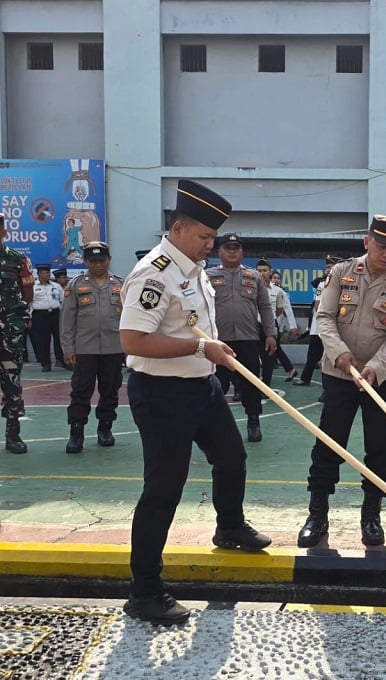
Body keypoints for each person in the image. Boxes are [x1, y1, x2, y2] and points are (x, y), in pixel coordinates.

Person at [119, 179, 271, 624]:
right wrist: (201, 349)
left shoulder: (192, 266)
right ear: (179, 226)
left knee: (231, 457)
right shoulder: (154, 272)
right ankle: (144, 592)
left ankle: (228, 528)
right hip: (163, 393)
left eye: (213, 238)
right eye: (205, 237)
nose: (211, 245)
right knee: (163, 491)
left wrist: (208, 353)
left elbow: (189, 325)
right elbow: (133, 340)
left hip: (200, 386)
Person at [297, 215, 386, 548]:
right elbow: (324, 317)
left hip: (382, 380)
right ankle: (317, 515)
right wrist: (339, 353)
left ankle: (371, 516)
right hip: (339, 374)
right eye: (381, 246)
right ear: (367, 242)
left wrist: (375, 369)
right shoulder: (341, 272)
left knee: (381, 449)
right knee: (329, 445)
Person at [206, 234, 277, 442]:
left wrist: (271, 333)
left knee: (251, 383)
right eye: (227, 248)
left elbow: (264, 306)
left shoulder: (253, 276)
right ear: (219, 252)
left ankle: (253, 421)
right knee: (216, 384)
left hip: (247, 339)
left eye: (236, 248)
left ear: (242, 251)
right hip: (218, 341)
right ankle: (213, 425)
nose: (232, 251)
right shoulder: (207, 276)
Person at [60, 242, 124, 453]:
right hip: (84, 349)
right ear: (85, 261)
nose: (97, 264)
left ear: (109, 260)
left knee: (110, 391)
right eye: (93, 261)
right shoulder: (75, 285)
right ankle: (76, 433)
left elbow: (127, 319)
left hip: (113, 348)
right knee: (80, 391)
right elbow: (67, 320)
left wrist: (128, 346)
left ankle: (105, 429)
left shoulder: (121, 285)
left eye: (101, 260)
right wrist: (68, 348)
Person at [0, 215, 35, 454]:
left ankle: (13, 435)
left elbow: (28, 291)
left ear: (3, 232)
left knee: (12, 381)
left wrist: (17, 318)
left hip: (9, 330)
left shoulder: (17, 259)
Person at [293, 254, 339, 387]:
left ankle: (327, 387)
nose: (328, 269)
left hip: (334, 327)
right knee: (314, 356)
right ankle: (306, 379)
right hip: (320, 327)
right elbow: (318, 306)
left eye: (330, 267)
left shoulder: (343, 283)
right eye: (327, 267)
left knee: (330, 358)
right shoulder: (322, 284)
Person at [30, 263, 66, 372]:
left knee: (59, 338)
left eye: (49, 273)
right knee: (43, 340)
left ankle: (62, 361)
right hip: (40, 315)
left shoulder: (56, 286)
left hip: (55, 314)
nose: (48, 275)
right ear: (40, 274)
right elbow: (29, 303)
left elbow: (63, 300)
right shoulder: (33, 286)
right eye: (46, 273)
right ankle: (46, 363)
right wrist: (29, 318)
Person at [270, 269, 298, 381]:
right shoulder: (263, 288)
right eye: (274, 278)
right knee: (274, 348)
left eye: (278, 278)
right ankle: (290, 369)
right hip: (263, 323)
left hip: (276, 324)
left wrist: (293, 326)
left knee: (274, 348)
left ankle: (289, 369)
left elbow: (288, 309)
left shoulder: (281, 292)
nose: (276, 280)